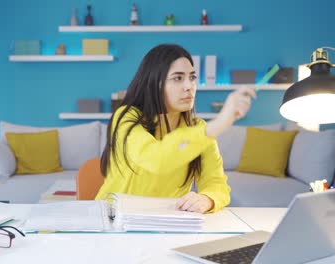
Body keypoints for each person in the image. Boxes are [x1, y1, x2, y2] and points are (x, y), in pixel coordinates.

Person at [95, 44, 256, 213]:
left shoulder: (197, 128)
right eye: (178, 78)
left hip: (167, 222)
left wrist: (207, 199)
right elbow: (156, 160)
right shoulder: (126, 118)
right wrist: (218, 124)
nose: (189, 86)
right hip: (114, 220)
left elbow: (217, 184)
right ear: (155, 83)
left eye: (192, 78)